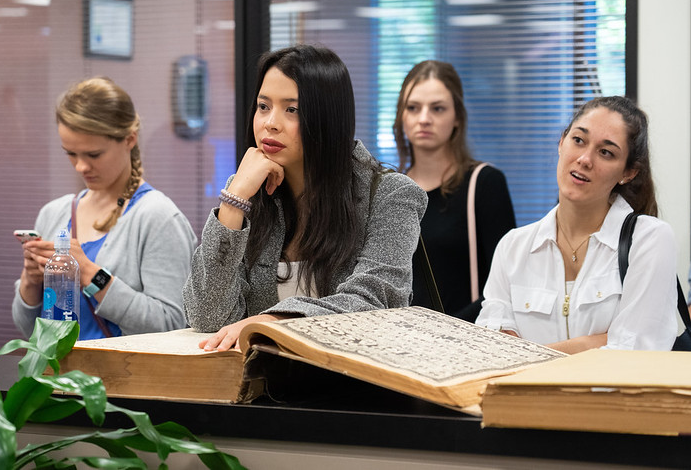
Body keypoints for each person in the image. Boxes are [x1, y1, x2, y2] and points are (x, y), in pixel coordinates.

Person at [183, 45, 428, 351]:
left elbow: (374, 300)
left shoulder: (392, 195)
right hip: (261, 387)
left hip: (355, 390)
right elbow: (207, 317)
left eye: (292, 109)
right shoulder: (249, 192)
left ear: (327, 119)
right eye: (263, 106)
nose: (270, 123)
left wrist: (274, 322)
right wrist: (234, 199)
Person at [476, 96, 677, 352]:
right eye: (578, 140)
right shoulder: (513, 247)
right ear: (561, 142)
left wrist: (529, 353)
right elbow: (491, 351)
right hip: (526, 394)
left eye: (606, 152)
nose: (584, 159)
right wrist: (594, 343)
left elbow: (635, 353)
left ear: (628, 173)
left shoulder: (649, 239)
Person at [12, 77, 196, 339]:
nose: (81, 167)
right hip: (59, 378)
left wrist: (89, 273)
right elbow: (31, 330)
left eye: (94, 155)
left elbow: (171, 325)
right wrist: (31, 281)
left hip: (122, 379)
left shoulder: (159, 218)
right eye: (71, 154)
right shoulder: (54, 214)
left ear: (129, 139)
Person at [392, 61, 515, 322]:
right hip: (399, 342)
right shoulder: (390, 190)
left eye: (437, 108)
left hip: (467, 341)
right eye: (413, 108)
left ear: (457, 116)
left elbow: (505, 285)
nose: (424, 119)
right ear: (401, 116)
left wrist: (445, 330)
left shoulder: (484, 183)